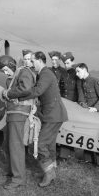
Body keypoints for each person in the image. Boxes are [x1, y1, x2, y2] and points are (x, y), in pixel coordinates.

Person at [19, 51, 68, 187]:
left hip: (54, 114)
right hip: (52, 114)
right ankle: (51, 171)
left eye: (33, 61)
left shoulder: (45, 73)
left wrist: (19, 97)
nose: (31, 63)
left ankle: (49, 172)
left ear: (40, 60)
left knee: (40, 144)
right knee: (50, 144)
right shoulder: (43, 73)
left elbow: (38, 91)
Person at [0, 54, 36, 190]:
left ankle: (18, 179)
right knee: (8, 145)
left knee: (16, 147)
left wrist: (8, 94)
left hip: (19, 114)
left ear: (11, 65)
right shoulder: (15, 75)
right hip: (13, 113)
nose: (5, 72)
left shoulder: (23, 72)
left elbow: (26, 89)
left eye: (5, 69)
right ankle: (13, 172)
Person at [59, 52, 79, 160]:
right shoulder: (63, 73)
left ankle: (71, 151)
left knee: (73, 128)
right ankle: (64, 153)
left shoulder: (77, 72)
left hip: (74, 104)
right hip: (65, 103)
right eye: (65, 63)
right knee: (65, 126)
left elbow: (80, 89)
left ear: (73, 61)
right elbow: (61, 89)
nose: (66, 65)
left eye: (67, 63)